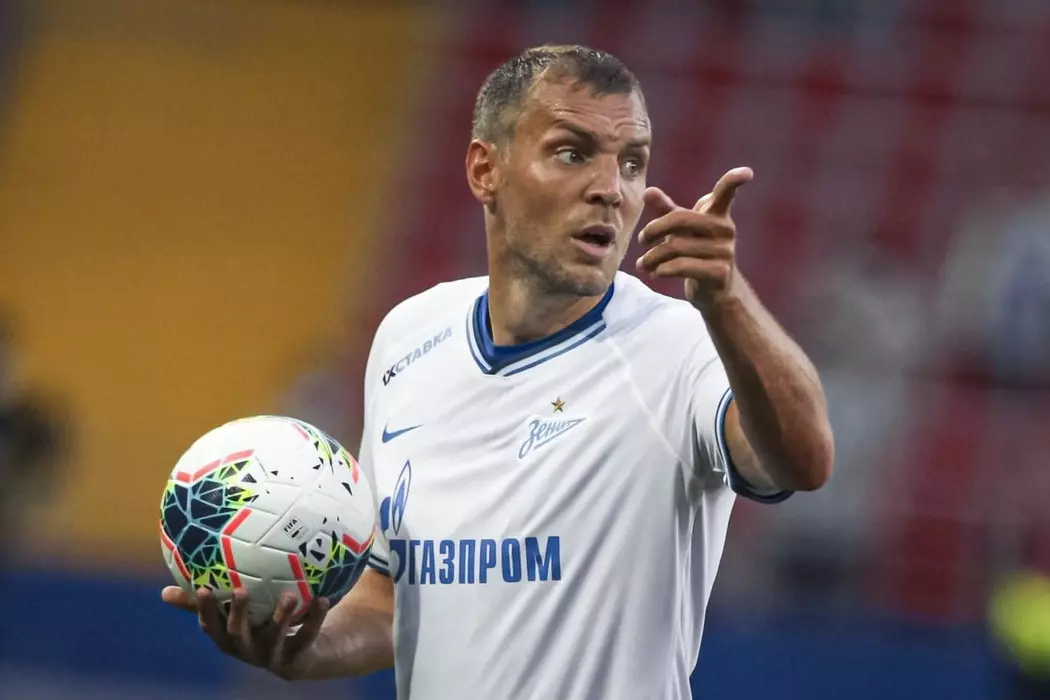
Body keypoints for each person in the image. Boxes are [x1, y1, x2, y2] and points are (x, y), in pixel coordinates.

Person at [163, 44, 834, 699]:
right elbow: (390, 598)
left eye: (632, 162)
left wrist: (728, 300)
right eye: (572, 153)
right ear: (486, 170)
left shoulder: (681, 346)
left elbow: (802, 463)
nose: (611, 189)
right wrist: (304, 651)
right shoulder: (408, 339)